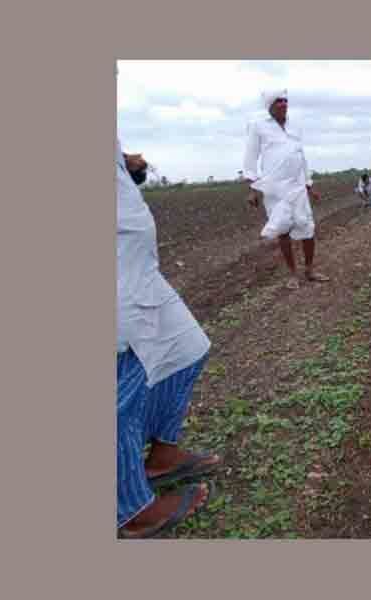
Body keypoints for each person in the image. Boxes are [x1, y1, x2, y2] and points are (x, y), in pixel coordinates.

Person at [116, 139, 222, 539]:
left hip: (138, 267)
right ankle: (129, 510)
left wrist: (123, 162)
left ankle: (161, 453)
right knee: (123, 389)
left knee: (187, 348)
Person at [242, 88, 330, 290]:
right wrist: (253, 189)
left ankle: (309, 270)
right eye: (278, 101)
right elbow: (250, 159)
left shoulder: (294, 127)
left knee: (307, 228)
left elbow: (301, 156)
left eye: (285, 100)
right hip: (274, 189)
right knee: (283, 229)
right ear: (270, 106)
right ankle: (293, 275)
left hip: (298, 186)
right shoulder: (258, 126)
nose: (283, 104)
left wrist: (310, 185)